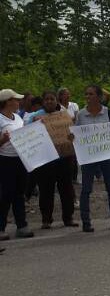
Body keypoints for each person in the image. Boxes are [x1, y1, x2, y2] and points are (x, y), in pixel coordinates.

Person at [26, 91, 78, 229]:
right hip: (45, 159)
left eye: (52, 99)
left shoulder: (65, 114)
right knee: (46, 189)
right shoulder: (34, 117)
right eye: (46, 99)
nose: (49, 101)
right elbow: (27, 135)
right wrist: (34, 124)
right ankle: (46, 219)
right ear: (43, 102)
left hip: (65, 158)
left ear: (56, 101)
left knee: (66, 188)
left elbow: (74, 133)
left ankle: (68, 218)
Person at [75, 85, 110, 232]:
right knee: (86, 189)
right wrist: (72, 136)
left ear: (99, 96)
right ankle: (86, 222)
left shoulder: (109, 113)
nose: (88, 97)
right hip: (89, 157)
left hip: (106, 157)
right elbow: (76, 132)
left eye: (91, 94)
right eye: (86, 94)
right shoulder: (80, 115)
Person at [0, 89, 34, 240]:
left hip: (20, 159)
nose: (18, 102)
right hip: (5, 160)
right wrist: (3, 140)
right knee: (5, 194)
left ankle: (21, 225)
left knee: (19, 193)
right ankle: (1, 228)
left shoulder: (18, 119)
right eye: (16, 100)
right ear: (7, 102)